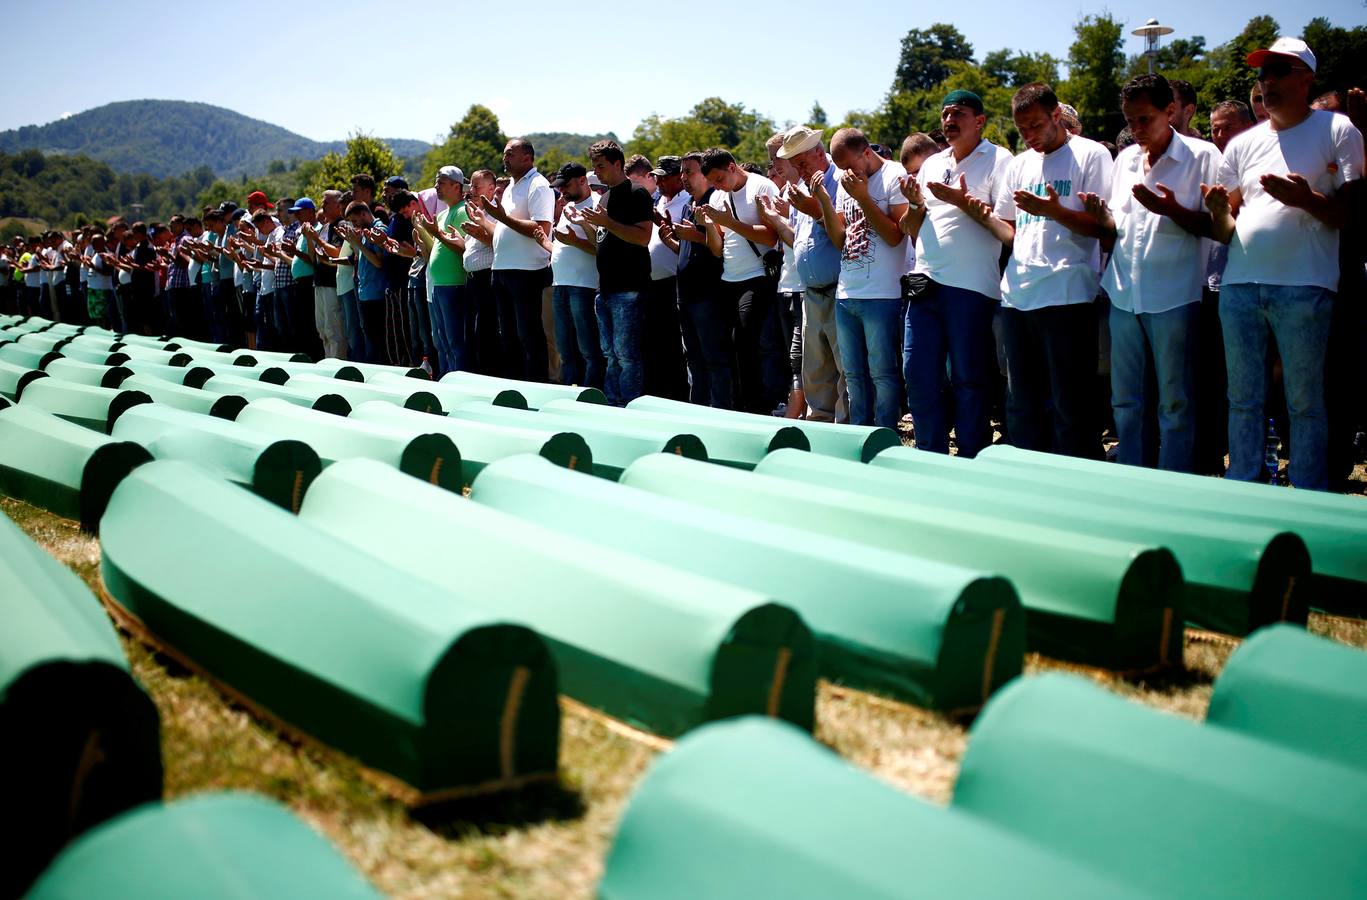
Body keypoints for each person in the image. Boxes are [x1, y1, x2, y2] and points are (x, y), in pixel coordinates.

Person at [1205, 37, 1364, 490]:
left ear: (1306, 77)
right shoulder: (1244, 143)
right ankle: (1244, 486)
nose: (1267, 82)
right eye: (1261, 74)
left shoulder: (1338, 130)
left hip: (1306, 287)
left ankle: (1310, 493)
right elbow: (1223, 230)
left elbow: (1352, 216)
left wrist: (1307, 199)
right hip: (1239, 287)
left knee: (1305, 401)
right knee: (1243, 399)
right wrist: (1217, 212)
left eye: (1278, 71)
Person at [1082, 74, 1220, 473]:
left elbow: (1219, 229)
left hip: (1174, 295)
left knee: (1175, 401)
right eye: (1130, 121)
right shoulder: (1125, 159)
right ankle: (1133, 476)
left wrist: (1170, 210)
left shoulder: (1203, 156)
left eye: (1145, 119)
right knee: (1126, 399)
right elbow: (1117, 226)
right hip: (1124, 292)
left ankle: (1173, 480)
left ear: (1171, 111)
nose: (1137, 130)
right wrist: (1099, 216)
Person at [991, 82, 1115, 459]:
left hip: (1068, 293)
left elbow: (1103, 229)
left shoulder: (1091, 155)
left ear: (1056, 116)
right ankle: (1028, 482)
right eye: (1021, 129)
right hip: (1017, 295)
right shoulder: (1018, 164)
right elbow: (1009, 230)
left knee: (1070, 404)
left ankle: (1077, 482)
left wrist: (1054, 211)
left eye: (1035, 126)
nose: (1028, 136)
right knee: (1021, 403)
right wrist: (976, 213)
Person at [898, 90, 1014, 457]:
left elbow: (1007, 227)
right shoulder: (933, 163)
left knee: (969, 380)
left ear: (980, 120)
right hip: (925, 283)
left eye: (959, 113)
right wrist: (916, 204)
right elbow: (912, 226)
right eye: (945, 113)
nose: (949, 120)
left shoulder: (1001, 160)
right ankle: (929, 455)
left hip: (972, 287)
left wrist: (963, 202)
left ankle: (970, 458)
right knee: (918, 375)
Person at [811, 127, 909, 429]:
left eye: (849, 166)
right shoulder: (844, 181)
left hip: (883, 293)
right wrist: (825, 201)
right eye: (840, 169)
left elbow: (896, 236)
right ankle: (860, 431)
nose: (845, 174)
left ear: (867, 153)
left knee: (882, 372)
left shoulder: (894, 175)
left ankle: (885, 432)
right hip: (847, 292)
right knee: (852, 373)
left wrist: (864, 197)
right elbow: (841, 240)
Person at [698, 147, 782, 413]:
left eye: (718, 179)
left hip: (757, 277)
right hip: (728, 278)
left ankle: (757, 407)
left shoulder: (762, 187)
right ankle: (736, 405)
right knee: (727, 346)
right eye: (711, 182)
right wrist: (711, 224)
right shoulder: (720, 195)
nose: (716, 186)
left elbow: (772, 237)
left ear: (732, 167)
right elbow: (716, 248)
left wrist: (727, 221)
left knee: (747, 343)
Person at [775, 126, 847, 423]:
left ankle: (845, 427)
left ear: (820, 153)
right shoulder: (802, 189)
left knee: (844, 367)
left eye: (803, 163)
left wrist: (816, 208)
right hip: (810, 292)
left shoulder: (840, 183)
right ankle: (819, 423)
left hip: (837, 289)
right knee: (815, 369)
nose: (800, 170)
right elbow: (799, 240)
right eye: (796, 165)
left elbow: (840, 234)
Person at [578, 140, 653, 405]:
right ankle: (612, 403)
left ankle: (628, 405)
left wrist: (607, 222)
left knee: (626, 355)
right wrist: (590, 225)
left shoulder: (637, 193)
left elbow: (644, 237)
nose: (596, 172)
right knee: (609, 354)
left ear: (618, 164)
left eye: (600, 166)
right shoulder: (606, 197)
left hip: (629, 288)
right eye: (594, 166)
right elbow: (603, 240)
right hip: (606, 289)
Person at [662, 150, 731, 408]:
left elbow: (719, 247)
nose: (683, 178)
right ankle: (698, 410)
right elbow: (690, 249)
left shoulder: (715, 202)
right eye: (682, 173)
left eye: (689, 172)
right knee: (693, 359)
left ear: (705, 174)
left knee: (714, 359)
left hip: (708, 295)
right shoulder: (689, 206)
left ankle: (721, 411)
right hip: (687, 295)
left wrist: (694, 237)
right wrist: (672, 242)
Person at [482, 139, 554, 381]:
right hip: (502, 269)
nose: (505, 158)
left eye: (510, 154)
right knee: (508, 335)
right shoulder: (513, 185)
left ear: (527, 157)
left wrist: (502, 217)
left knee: (528, 334)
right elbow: (506, 225)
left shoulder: (538, 185)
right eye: (504, 154)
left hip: (526, 272)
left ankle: (536, 386)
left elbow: (541, 227)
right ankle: (515, 385)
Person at [547, 162, 604, 390]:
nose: (562, 191)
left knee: (589, 348)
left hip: (584, 285)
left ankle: (591, 393)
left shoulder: (597, 205)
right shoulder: (569, 204)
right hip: (561, 284)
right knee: (565, 348)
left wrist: (574, 241)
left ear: (583, 181)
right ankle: (570, 391)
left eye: (566, 185)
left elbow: (602, 249)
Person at [641, 155, 689, 400]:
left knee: (673, 343)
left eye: (663, 178)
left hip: (673, 282)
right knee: (657, 342)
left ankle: (678, 393)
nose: (658, 182)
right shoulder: (660, 202)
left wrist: (662, 223)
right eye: (657, 178)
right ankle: (661, 391)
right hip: (654, 284)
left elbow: (684, 244)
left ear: (677, 177)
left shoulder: (686, 202)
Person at [421, 166, 471, 376]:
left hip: (454, 285)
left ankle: (458, 382)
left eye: (441, 182)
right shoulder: (441, 215)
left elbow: (464, 249)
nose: (436, 186)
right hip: (438, 286)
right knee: (441, 342)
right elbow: (437, 250)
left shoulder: (463, 211)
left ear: (456, 186)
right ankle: (445, 380)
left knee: (455, 341)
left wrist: (437, 234)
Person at [460, 169, 501, 374]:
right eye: (472, 187)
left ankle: (488, 374)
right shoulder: (477, 212)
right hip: (473, 279)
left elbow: (498, 243)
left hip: (487, 278)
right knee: (471, 332)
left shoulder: (497, 214)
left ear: (491, 189)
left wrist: (480, 232)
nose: (472, 191)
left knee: (485, 332)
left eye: (477, 186)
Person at [340, 200, 388, 362]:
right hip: (365, 293)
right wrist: (354, 243)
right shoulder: (366, 231)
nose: (355, 225)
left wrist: (358, 243)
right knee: (369, 338)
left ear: (364, 214)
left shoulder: (378, 230)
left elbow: (378, 262)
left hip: (376, 294)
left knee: (377, 341)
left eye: (355, 221)